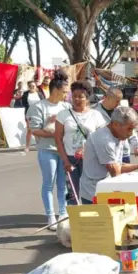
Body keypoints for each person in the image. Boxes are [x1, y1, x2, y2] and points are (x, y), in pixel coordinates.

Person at [79, 107, 138, 204]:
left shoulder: (118, 135)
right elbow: (116, 172)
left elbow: (118, 165)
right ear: (115, 124)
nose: (130, 134)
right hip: (94, 194)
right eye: (129, 129)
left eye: (133, 129)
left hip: (105, 189)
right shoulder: (105, 140)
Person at [27, 69, 71, 230]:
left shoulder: (66, 106)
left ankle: (63, 213)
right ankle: (51, 216)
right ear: (56, 90)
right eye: (64, 92)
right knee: (48, 183)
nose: (66, 95)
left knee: (63, 184)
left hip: (63, 150)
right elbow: (34, 129)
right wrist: (51, 131)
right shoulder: (39, 107)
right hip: (47, 150)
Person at [54, 80, 106, 205]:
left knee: (90, 192)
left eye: (80, 97)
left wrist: (86, 149)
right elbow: (58, 138)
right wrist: (65, 160)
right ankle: (75, 220)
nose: (76, 99)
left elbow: (101, 138)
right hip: (71, 159)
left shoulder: (96, 115)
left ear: (87, 98)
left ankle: (91, 219)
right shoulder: (63, 115)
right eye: (74, 96)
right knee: (73, 194)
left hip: (91, 160)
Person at [94, 87, 138, 164]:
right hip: (104, 152)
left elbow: (131, 129)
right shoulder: (94, 111)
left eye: (120, 101)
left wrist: (136, 146)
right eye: (117, 101)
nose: (119, 104)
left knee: (124, 175)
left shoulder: (122, 112)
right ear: (106, 98)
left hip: (123, 152)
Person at [22, 81, 43, 152]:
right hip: (29, 113)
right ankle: (27, 146)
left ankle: (39, 145)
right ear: (29, 87)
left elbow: (43, 102)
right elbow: (24, 103)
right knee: (29, 130)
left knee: (39, 129)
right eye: (30, 86)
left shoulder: (39, 94)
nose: (32, 87)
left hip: (39, 113)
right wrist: (31, 107)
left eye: (33, 86)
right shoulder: (26, 94)